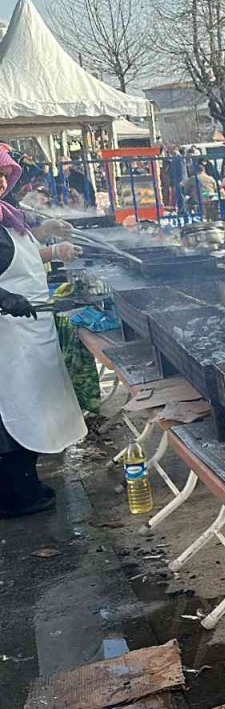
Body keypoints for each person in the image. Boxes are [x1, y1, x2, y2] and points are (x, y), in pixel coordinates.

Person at [0, 148, 85, 518]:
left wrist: (51, 241)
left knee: (34, 406)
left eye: (4, 175)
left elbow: (22, 254)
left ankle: (27, 485)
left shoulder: (7, 217)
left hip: (32, 328)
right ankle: (15, 497)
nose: (2, 182)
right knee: (13, 412)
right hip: (8, 334)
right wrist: (6, 299)